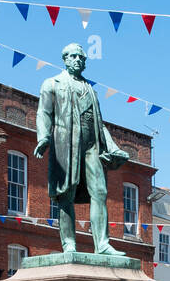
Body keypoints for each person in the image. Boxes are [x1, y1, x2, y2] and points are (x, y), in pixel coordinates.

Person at [35, 42, 131, 255]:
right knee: (65, 194)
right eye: (74, 57)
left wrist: (113, 147)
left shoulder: (91, 90)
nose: (78, 60)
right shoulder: (52, 83)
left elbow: (100, 123)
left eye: (82, 58)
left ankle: (103, 244)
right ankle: (69, 244)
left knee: (100, 192)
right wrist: (43, 137)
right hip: (65, 143)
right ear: (65, 59)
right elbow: (43, 113)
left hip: (91, 145)